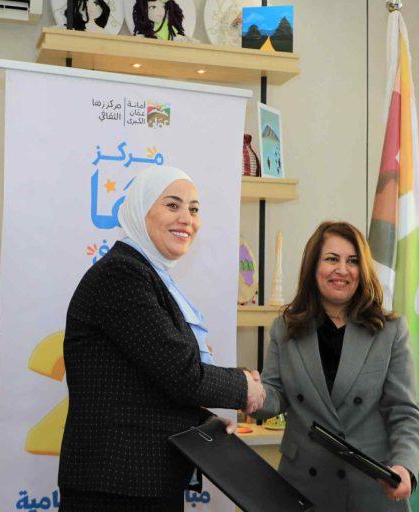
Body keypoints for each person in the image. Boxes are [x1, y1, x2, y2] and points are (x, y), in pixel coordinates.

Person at [58, 166, 265, 512]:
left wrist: (202, 420)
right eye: (172, 205)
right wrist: (244, 387)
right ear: (141, 210)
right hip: (116, 489)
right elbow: (181, 374)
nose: (187, 219)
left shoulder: (146, 275)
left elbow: (146, 385)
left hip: (140, 484)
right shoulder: (121, 275)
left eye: (194, 209)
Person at [253, 221, 419, 512]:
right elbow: (275, 395)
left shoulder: (389, 330)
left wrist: (404, 466)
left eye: (353, 261)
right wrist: (249, 393)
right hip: (302, 486)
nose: (342, 270)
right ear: (313, 266)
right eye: (332, 259)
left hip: (371, 488)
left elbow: (404, 412)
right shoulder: (285, 327)